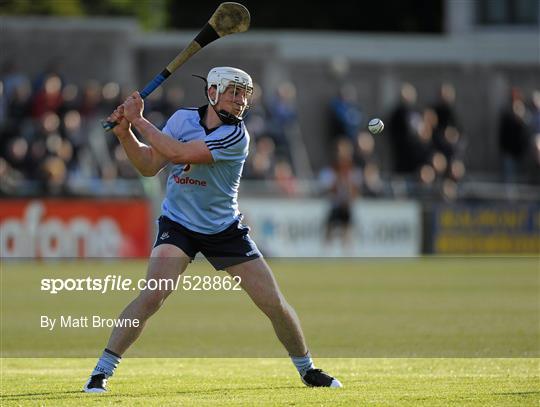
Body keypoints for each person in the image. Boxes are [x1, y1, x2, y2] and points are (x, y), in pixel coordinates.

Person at [83, 67, 342, 392]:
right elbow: (150, 165)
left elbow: (178, 153)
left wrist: (137, 120)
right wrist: (125, 134)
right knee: (152, 295)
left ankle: (308, 369)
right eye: (234, 92)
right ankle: (101, 371)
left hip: (223, 228)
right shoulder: (181, 120)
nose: (240, 101)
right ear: (213, 92)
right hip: (178, 223)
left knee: (273, 302)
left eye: (244, 94)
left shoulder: (237, 136)